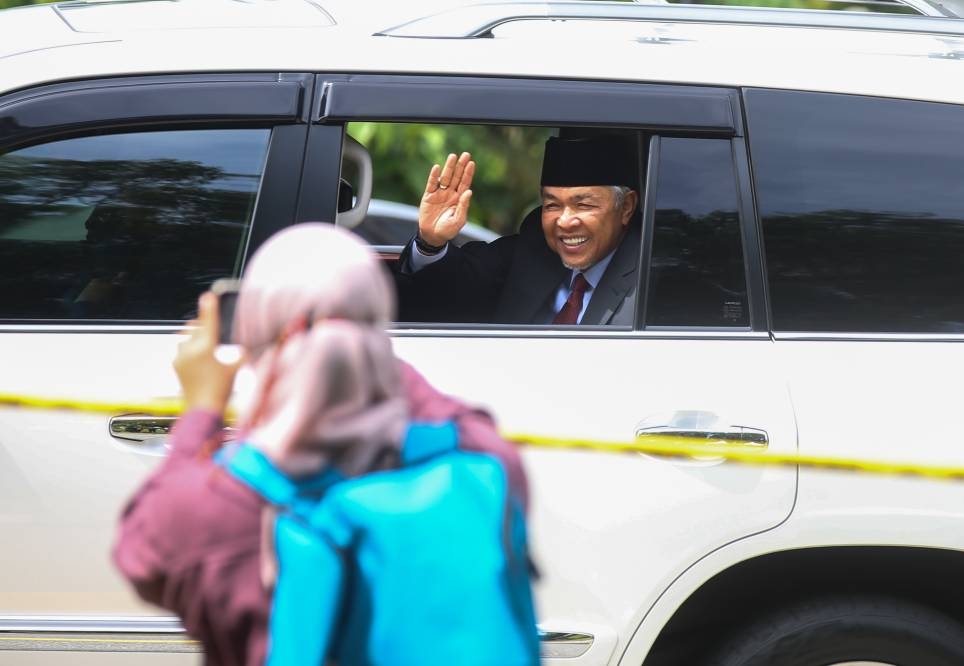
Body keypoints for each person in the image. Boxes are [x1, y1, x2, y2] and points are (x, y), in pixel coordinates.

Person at [112, 223, 529, 666]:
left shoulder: (225, 504)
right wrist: (363, 345)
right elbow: (460, 419)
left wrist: (202, 409)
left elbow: (140, 555)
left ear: (257, 333)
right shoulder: (484, 461)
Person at [394, 134, 641, 325]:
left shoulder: (651, 277)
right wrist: (430, 242)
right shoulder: (534, 249)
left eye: (584, 205)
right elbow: (451, 291)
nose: (565, 221)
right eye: (552, 205)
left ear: (626, 207)